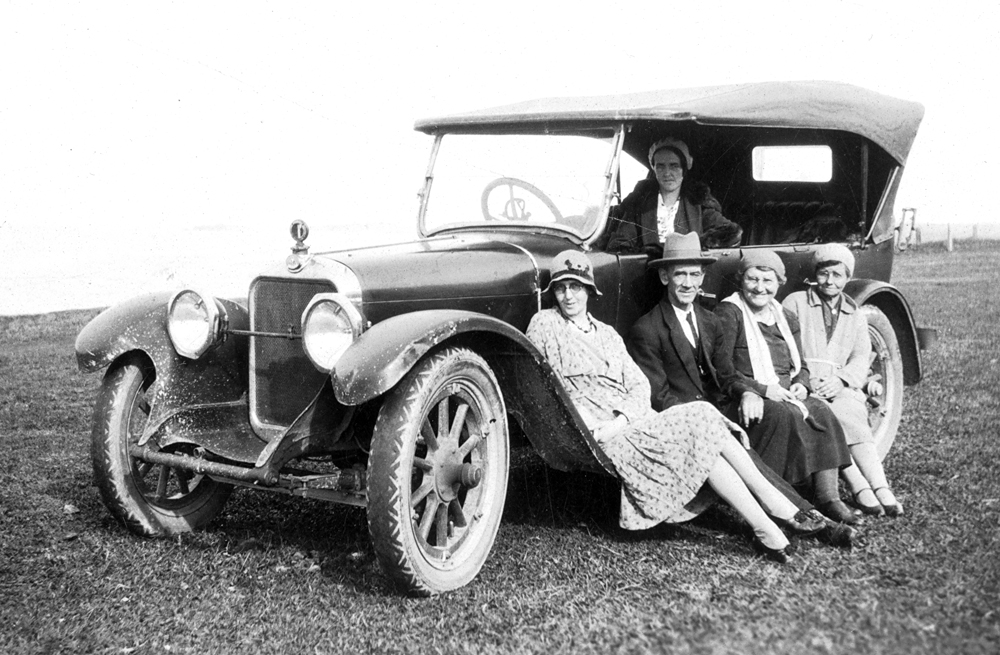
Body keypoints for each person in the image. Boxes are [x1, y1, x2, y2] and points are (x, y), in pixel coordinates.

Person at [527, 250, 821, 563]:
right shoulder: (545, 325)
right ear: (553, 292)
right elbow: (548, 388)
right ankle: (774, 512)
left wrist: (625, 416)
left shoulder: (607, 334)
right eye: (561, 288)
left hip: (633, 420)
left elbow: (639, 385)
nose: (569, 295)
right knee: (704, 418)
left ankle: (766, 525)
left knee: (705, 434)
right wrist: (604, 427)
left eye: (576, 286)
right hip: (596, 432)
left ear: (589, 289)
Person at [627, 233, 853, 545]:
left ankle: (804, 510)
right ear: (665, 276)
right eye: (680, 274)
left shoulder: (708, 319)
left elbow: (726, 375)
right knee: (747, 447)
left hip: (720, 409)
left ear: (703, 276)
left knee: (766, 424)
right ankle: (806, 516)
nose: (688, 283)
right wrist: (706, 418)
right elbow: (659, 396)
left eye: (695, 274)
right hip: (684, 421)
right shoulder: (647, 329)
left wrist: (748, 392)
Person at [713, 250, 859, 524]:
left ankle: (829, 497)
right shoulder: (728, 313)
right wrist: (760, 390)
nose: (760, 288)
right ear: (740, 281)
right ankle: (782, 499)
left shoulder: (785, 317)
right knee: (783, 414)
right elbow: (722, 370)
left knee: (821, 410)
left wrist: (801, 384)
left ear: (780, 282)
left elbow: (801, 365)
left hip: (786, 394)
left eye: (768, 281)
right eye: (752, 279)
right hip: (744, 397)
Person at [783, 244, 903, 517]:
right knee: (830, 415)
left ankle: (880, 485)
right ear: (816, 274)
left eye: (838, 275)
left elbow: (861, 356)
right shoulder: (796, 302)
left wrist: (842, 380)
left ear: (848, 278)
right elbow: (784, 344)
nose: (830, 282)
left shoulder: (854, 312)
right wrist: (807, 379)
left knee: (850, 408)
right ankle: (859, 485)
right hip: (803, 383)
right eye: (824, 274)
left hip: (838, 383)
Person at [605, 137, 742, 254]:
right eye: (660, 166)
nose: (667, 173)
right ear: (654, 168)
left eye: (674, 166)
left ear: (684, 168)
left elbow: (731, 233)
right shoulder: (639, 203)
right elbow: (620, 243)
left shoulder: (698, 203)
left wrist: (695, 248)